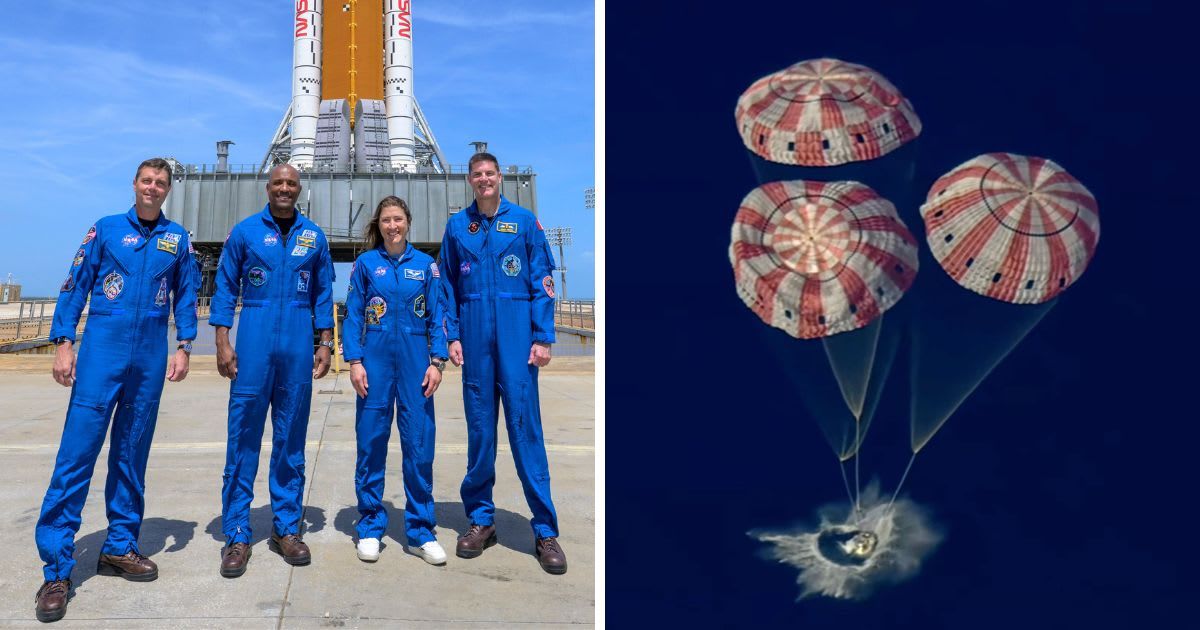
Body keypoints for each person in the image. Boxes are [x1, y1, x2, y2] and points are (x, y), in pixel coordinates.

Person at [35, 158, 199, 622]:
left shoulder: (178, 240)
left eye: (161, 183)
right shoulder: (105, 230)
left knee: (131, 453)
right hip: (101, 351)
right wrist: (64, 342)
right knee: (76, 456)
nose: (153, 187)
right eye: (147, 180)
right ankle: (56, 569)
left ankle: (119, 547)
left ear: (168, 190)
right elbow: (75, 285)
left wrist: (184, 344)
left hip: (149, 355)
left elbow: (186, 294)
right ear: (135, 185)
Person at [437, 152, 567, 574]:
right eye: (477, 174)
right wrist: (451, 336)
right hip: (474, 340)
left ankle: (545, 530)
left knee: (526, 433)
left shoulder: (525, 222)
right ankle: (480, 520)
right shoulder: (458, 227)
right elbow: (447, 288)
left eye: (490, 173)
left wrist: (543, 336)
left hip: (516, 338)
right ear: (470, 181)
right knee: (480, 433)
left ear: (499, 178)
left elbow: (542, 279)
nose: (484, 179)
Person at [209, 163, 335, 578]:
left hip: (297, 344)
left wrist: (325, 342)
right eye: (279, 182)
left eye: (292, 184)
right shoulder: (244, 232)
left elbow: (322, 293)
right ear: (268, 187)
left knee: (290, 440)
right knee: (242, 437)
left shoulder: (313, 237)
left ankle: (285, 528)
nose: (285, 188)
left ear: (300, 190)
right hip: (255, 340)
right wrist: (223, 339)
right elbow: (226, 286)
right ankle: (237, 534)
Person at [342, 196, 449, 565]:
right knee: (371, 442)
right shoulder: (366, 265)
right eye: (386, 220)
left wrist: (437, 362)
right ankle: (370, 525)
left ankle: (420, 530)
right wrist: (354, 361)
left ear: (408, 222)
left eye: (398, 219)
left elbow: (438, 317)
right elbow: (353, 314)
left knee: (419, 445)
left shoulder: (426, 266)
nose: (393, 226)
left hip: (417, 364)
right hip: (374, 362)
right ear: (379, 224)